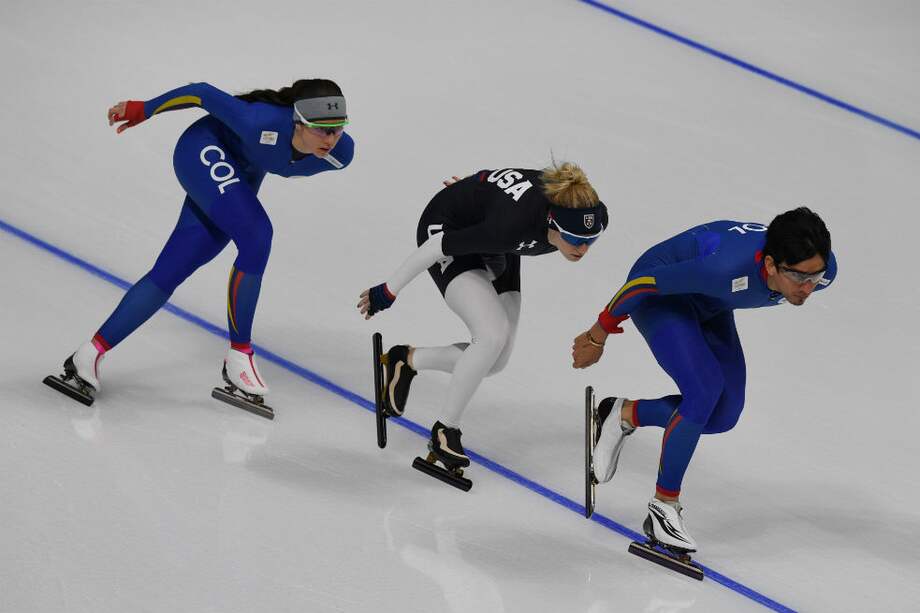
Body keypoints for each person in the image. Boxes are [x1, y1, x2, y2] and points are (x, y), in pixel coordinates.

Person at [49, 79, 354, 405]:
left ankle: (88, 355)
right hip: (202, 149)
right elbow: (201, 93)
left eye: (338, 129)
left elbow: (271, 155)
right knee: (257, 235)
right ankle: (240, 355)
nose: (331, 140)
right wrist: (144, 109)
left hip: (242, 173)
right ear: (298, 121)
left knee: (174, 268)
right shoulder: (259, 121)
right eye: (322, 130)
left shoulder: (340, 154)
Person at [573, 207, 836, 552]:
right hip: (659, 295)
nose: (808, 288)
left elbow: (806, 274)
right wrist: (597, 335)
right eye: (800, 278)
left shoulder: (822, 270)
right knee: (704, 390)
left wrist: (808, 275)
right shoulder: (724, 268)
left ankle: (622, 414)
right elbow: (641, 284)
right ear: (771, 265)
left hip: (710, 301)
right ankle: (664, 506)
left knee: (723, 415)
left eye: (815, 278)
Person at [359, 163, 608, 472]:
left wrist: (478, 191)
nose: (582, 248)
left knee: (496, 360)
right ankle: (445, 430)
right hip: (448, 227)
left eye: (591, 239)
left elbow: (505, 183)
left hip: (499, 242)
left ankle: (406, 360)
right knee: (491, 335)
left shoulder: (592, 212)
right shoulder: (512, 224)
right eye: (573, 238)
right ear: (552, 222)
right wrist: (388, 290)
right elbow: (435, 247)